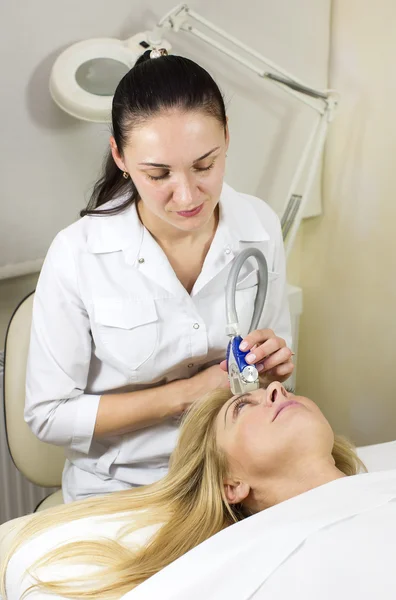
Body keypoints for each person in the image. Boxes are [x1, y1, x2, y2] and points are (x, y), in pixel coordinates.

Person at [24, 49, 294, 503]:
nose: (187, 195)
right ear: (120, 155)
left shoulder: (259, 226)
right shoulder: (78, 254)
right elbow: (49, 415)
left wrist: (275, 367)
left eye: (205, 165)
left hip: (230, 477)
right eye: (158, 173)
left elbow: (274, 369)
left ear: (226, 137)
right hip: (119, 488)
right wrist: (188, 394)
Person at [5, 382, 394, 600]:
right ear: (231, 485)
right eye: (242, 407)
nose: (276, 387)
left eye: (286, 388)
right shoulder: (238, 565)